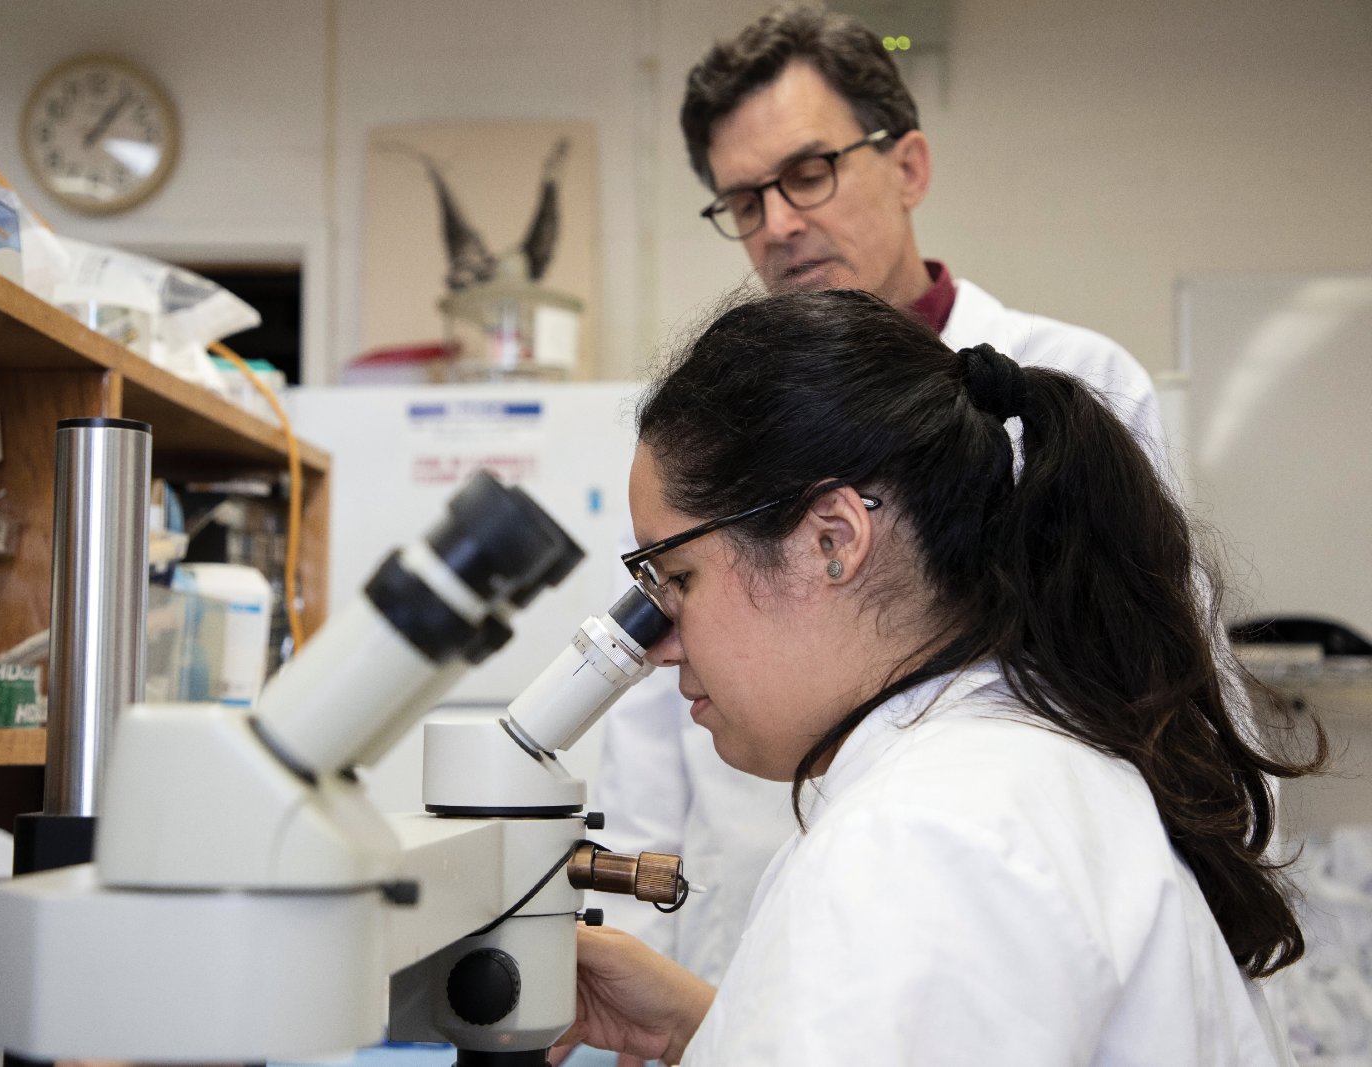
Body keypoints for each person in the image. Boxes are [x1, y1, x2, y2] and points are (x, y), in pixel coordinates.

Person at [562, 288, 1321, 1065]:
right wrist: (707, 1031)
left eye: (677, 577)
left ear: (834, 538)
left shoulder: (922, 842)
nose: (657, 646)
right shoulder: (1011, 770)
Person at [593, 4, 1171, 985]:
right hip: (751, 942)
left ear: (906, 165)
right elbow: (646, 725)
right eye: (743, 200)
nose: (777, 223)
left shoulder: (1068, 378)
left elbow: (1152, 673)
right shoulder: (710, 427)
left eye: (807, 173)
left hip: (983, 909)